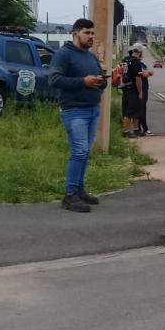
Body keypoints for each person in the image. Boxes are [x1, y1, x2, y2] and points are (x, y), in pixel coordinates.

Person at [48, 18, 107, 213]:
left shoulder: (90, 57)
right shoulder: (63, 55)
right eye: (86, 33)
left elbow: (97, 77)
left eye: (92, 33)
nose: (90, 37)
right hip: (74, 110)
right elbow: (54, 79)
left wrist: (101, 82)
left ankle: (79, 190)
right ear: (75, 33)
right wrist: (83, 82)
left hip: (92, 108)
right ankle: (70, 194)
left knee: (85, 152)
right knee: (79, 151)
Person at [120, 44, 144, 138]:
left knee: (134, 110)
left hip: (125, 87)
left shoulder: (125, 60)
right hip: (133, 89)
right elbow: (138, 79)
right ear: (139, 52)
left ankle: (136, 129)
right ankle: (126, 132)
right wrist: (140, 92)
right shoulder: (136, 62)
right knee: (129, 112)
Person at [137, 50, 154, 136]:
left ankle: (140, 128)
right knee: (141, 108)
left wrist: (147, 72)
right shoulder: (137, 64)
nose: (142, 54)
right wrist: (147, 73)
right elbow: (145, 74)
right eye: (141, 53)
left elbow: (148, 72)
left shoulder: (142, 64)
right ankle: (143, 128)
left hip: (144, 89)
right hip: (141, 89)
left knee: (143, 108)